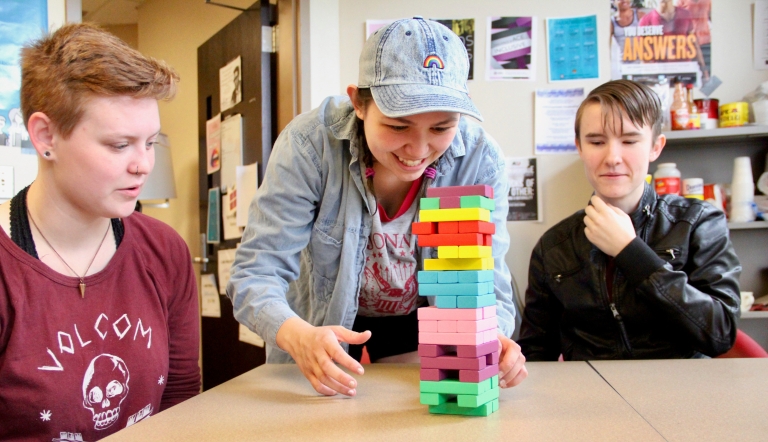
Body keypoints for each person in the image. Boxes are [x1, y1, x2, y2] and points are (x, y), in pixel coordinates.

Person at [228, 17, 527, 397]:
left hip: (421, 317)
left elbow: (488, 278)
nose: (418, 151)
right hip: (322, 321)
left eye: (440, 129)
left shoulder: (480, 159)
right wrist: (296, 335)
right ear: (358, 103)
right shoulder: (309, 145)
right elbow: (255, 271)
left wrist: (493, 337)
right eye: (399, 127)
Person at [0, 23, 200, 440]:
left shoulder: (165, 251)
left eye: (150, 143)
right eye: (119, 145)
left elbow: (180, 399)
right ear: (45, 136)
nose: (143, 164)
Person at [518, 79, 741, 361]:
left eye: (629, 141)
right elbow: (536, 353)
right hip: (589, 399)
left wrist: (632, 253)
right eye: (597, 141)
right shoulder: (553, 246)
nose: (612, 157)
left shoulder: (698, 222)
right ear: (579, 147)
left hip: (682, 397)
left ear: (655, 147)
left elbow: (720, 334)